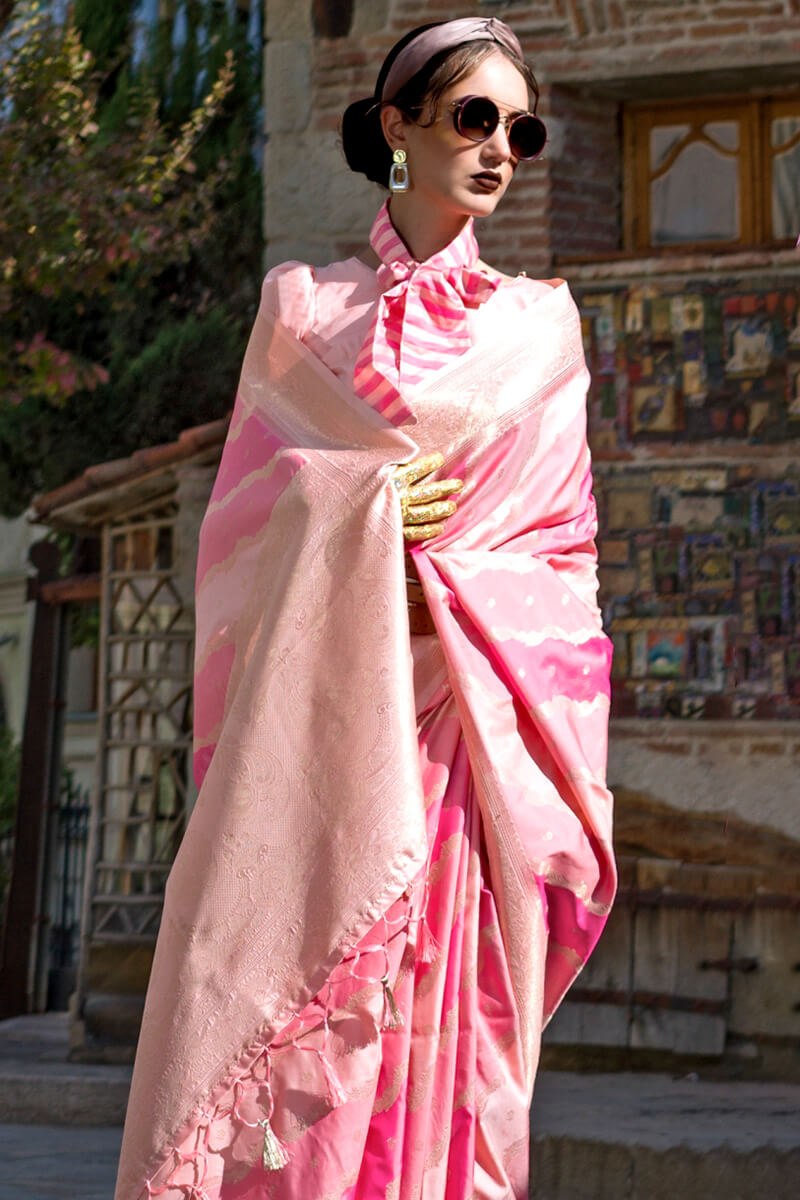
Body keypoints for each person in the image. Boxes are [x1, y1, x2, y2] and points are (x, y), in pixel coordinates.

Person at [114, 17, 616, 1200]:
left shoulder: (539, 326)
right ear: (395, 127)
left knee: (448, 1053)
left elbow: (560, 556)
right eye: (471, 117)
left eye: (520, 128)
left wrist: (435, 579)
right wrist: (362, 524)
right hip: (326, 744)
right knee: (308, 1078)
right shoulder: (301, 314)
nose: (499, 147)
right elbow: (239, 538)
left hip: (466, 758)